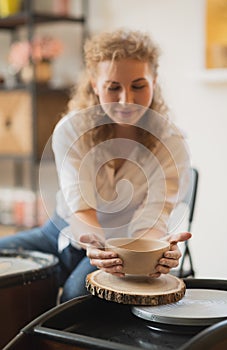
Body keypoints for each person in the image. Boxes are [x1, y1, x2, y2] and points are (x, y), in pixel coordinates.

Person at [0, 29, 192, 303]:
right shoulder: (71, 129)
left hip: (125, 249)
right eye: (113, 87)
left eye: (139, 85)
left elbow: (152, 221)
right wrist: (96, 244)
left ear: (155, 81)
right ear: (94, 84)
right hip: (60, 232)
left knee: (74, 300)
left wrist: (155, 252)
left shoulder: (172, 142)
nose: (127, 100)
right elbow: (82, 212)